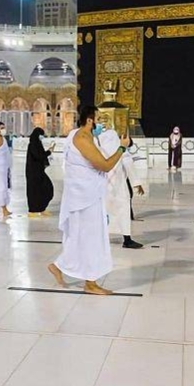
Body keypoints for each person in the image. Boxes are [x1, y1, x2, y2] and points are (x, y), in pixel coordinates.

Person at [48, 105, 130, 296]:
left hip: (85, 195)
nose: (101, 123)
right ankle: (90, 283)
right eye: (98, 119)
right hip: (85, 198)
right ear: (90, 120)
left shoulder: (78, 135)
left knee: (81, 237)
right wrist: (122, 148)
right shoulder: (82, 139)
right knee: (91, 238)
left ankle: (59, 266)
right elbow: (105, 165)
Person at [98, 128, 145, 248]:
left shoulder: (99, 151)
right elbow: (129, 166)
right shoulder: (121, 150)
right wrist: (136, 183)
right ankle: (127, 239)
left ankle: (100, 238)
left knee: (103, 213)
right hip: (119, 187)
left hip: (102, 187)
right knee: (123, 211)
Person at [26, 127, 54, 216]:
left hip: (39, 172)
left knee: (45, 189)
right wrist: (48, 152)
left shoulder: (38, 144)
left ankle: (41, 208)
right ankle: (32, 210)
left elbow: (40, 155)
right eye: (41, 135)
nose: (42, 137)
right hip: (33, 173)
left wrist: (48, 152)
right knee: (34, 191)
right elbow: (38, 156)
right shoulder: (32, 145)